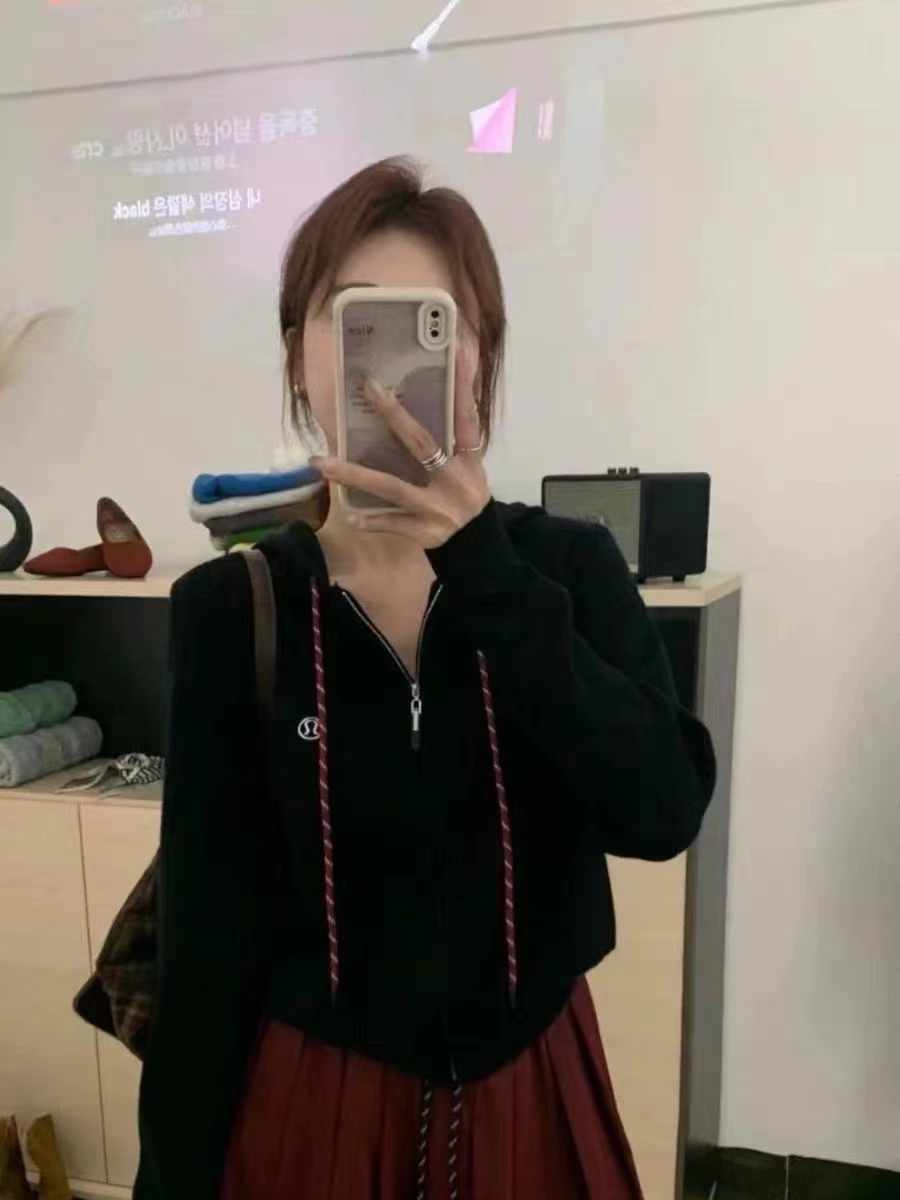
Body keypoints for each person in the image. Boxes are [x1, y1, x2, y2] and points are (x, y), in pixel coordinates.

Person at [133, 156, 718, 1200]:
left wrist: (485, 566)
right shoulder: (235, 607)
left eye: (435, 326)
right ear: (297, 356)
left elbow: (662, 811)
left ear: (481, 360)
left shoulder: (567, 568)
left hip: (532, 1088)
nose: (389, 366)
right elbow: (204, 944)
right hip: (311, 1105)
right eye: (356, 319)